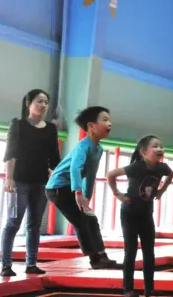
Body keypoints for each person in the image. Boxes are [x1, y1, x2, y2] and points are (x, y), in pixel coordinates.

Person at [0, 89, 61, 277]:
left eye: (46, 102)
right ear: (28, 103)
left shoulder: (51, 129)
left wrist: (56, 177)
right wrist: (9, 178)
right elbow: (11, 153)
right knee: (13, 223)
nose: (43, 105)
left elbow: (54, 157)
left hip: (40, 183)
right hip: (19, 182)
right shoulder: (18, 125)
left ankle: (31, 263)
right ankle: (6, 265)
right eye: (39, 101)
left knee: (34, 225)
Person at [45, 106, 114, 269]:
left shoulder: (99, 149)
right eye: (104, 120)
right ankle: (94, 259)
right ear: (91, 126)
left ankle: (102, 255)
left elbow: (91, 174)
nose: (110, 124)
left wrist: (86, 197)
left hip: (70, 188)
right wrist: (78, 192)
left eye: (109, 120)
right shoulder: (83, 146)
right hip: (57, 188)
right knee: (81, 221)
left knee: (91, 218)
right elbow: (75, 168)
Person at [106, 135, 173, 297]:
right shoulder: (136, 167)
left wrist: (161, 191)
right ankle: (128, 289)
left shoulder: (161, 168)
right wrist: (119, 195)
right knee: (130, 251)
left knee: (149, 252)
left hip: (146, 215)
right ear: (144, 152)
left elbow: (171, 174)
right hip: (129, 214)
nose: (160, 149)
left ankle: (149, 289)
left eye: (161, 146)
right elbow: (111, 174)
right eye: (155, 146)